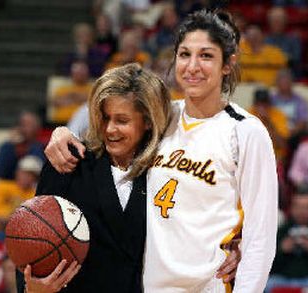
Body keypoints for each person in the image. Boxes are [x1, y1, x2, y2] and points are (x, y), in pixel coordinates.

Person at [44, 10, 278, 292]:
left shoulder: (245, 131)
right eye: (184, 54)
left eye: (206, 55)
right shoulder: (161, 118)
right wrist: (63, 133)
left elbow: (261, 236)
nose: (192, 66)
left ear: (228, 64)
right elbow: (105, 126)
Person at [17, 63, 241, 292]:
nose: (110, 129)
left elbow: (202, 225)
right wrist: (31, 289)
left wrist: (233, 247)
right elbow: (32, 239)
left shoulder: (171, 168)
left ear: (147, 121)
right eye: (104, 118)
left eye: (122, 120)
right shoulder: (68, 161)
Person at [266, 191, 308, 293]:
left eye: (306, 207)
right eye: (298, 207)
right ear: (292, 208)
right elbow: (266, 266)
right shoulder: (280, 231)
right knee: (267, 284)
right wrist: (282, 249)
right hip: (281, 279)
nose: (302, 211)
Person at [0, 155, 42, 240]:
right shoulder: (0, 186)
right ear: (17, 172)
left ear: (35, 178)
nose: (27, 177)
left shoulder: (37, 195)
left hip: (21, 236)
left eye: (31, 175)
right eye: (24, 173)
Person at [0, 111, 45, 180]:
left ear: (36, 128)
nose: (23, 129)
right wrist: (13, 147)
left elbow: (37, 170)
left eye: (28, 125)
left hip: (31, 188)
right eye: (22, 124)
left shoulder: (40, 147)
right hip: (9, 185)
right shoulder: (7, 147)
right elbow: (0, 172)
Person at [50, 60, 93, 125]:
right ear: (72, 74)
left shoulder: (93, 89)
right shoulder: (63, 88)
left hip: (84, 124)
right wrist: (81, 98)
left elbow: (92, 100)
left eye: (82, 73)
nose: (80, 75)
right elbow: (55, 102)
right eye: (77, 73)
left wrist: (71, 97)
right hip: (60, 122)